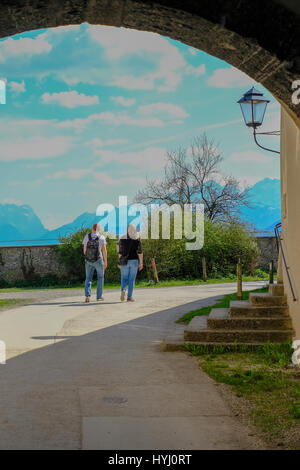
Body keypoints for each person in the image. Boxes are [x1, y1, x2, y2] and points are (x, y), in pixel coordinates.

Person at [83, 223, 107, 303]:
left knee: (88, 278)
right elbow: (104, 251)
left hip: (88, 261)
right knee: (100, 277)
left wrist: (88, 257)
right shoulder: (102, 237)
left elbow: (84, 250)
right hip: (98, 260)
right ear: (99, 229)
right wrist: (105, 261)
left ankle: (87, 296)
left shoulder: (87, 236)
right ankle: (99, 297)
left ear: (92, 229)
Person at [118, 224, 143, 302]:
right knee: (131, 280)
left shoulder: (122, 238)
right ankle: (129, 297)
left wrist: (119, 262)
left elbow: (120, 252)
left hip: (124, 261)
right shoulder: (137, 238)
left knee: (124, 278)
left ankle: (123, 290)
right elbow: (140, 252)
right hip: (134, 261)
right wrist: (141, 263)